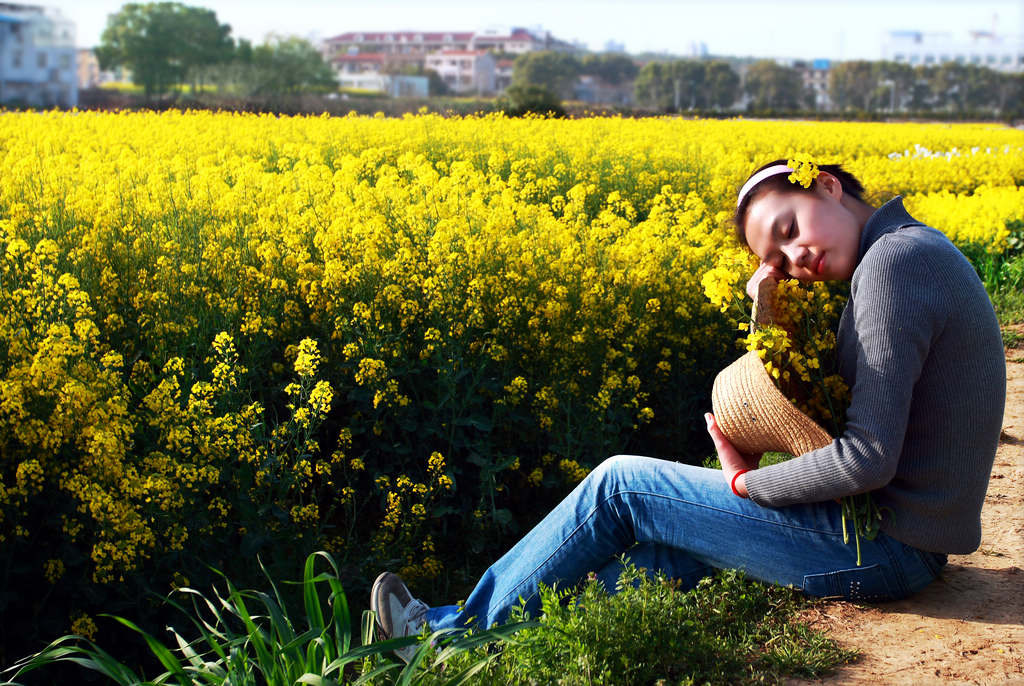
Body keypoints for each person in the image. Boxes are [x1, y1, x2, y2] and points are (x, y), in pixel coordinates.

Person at [371, 159, 1006, 660]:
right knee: (666, 553)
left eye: (789, 230)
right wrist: (770, 328)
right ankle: (456, 651)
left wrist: (743, 482)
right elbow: (859, 427)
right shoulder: (909, 250)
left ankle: (445, 635)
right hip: (902, 545)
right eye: (776, 259)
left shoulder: (892, 265)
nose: (795, 259)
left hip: (885, 549)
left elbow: (866, 458)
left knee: (621, 485)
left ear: (829, 188)